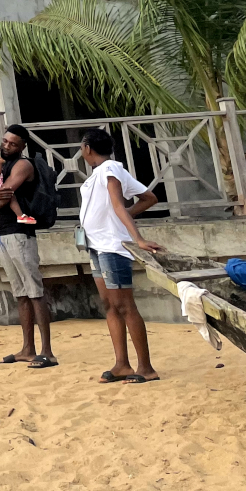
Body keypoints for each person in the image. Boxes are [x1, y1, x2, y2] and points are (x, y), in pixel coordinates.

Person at [77, 128, 163, 383]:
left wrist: (136, 237)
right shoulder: (100, 173)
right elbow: (149, 197)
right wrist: (124, 215)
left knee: (124, 305)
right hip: (96, 245)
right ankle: (121, 364)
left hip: (112, 246)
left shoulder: (111, 169)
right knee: (110, 305)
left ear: (87, 148)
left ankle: (145, 367)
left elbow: (118, 204)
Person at [0, 125, 56, 369]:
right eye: (5, 141)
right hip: (2, 234)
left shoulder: (23, 165)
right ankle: (27, 349)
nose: (7, 146)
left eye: (13, 143)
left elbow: (3, 194)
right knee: (20, 293)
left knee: (35, 291)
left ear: (22, 147)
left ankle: (47, 352)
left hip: (20, 234)